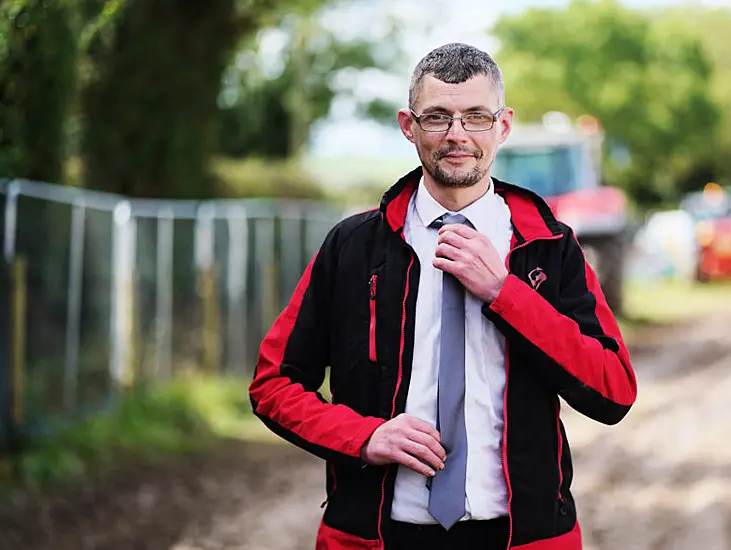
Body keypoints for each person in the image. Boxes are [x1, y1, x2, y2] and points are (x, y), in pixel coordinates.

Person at [249, 42, 638, 550]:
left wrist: (505, 293)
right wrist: (363, 438)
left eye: (476, 117)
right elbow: (274, 384)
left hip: (525, 537)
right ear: (408, 126)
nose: (457, 135)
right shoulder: (353, 247)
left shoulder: (550, 246)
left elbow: (613, 390)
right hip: (376, 537)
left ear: (503, 126)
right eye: (437, 117)